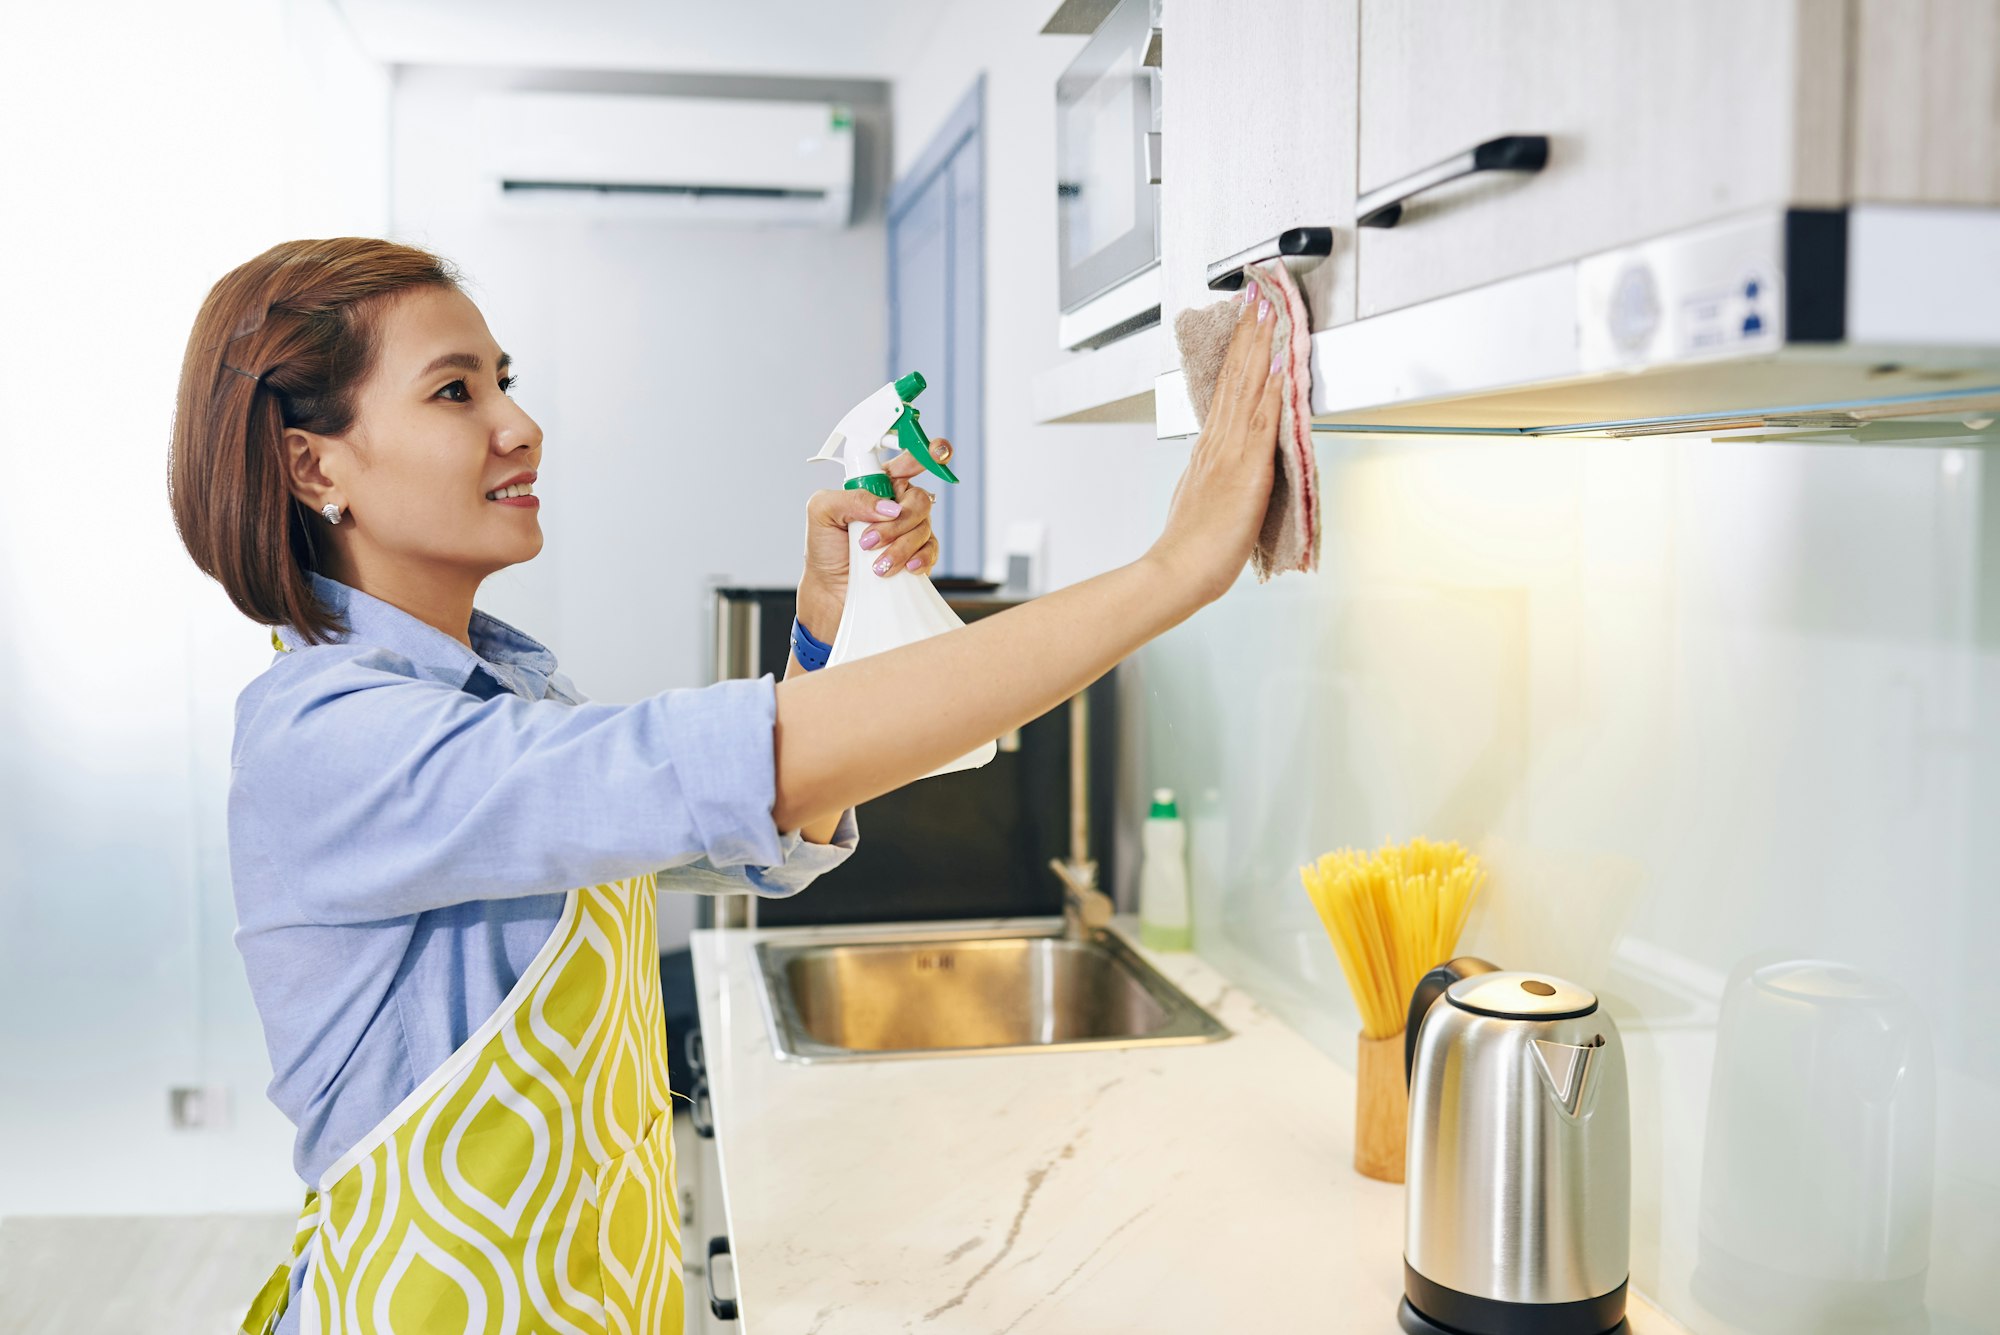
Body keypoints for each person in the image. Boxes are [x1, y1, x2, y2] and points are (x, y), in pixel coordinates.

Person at [168, 237, 1279, 1334]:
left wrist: (828, 626)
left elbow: (751, 830)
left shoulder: (497, 691)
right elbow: (712, 765)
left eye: (504, 381)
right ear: (316, 467)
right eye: (454, 392)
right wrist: (1173, 568)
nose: (519, 425)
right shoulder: (326, 737)